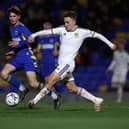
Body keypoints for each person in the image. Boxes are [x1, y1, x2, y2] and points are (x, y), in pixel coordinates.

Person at [28, 10, 116, 112]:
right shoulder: (62, 30)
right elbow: (47, 31)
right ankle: (96, 100)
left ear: (74, 21)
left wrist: (110, 44)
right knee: (72, 88)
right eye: (64, 22)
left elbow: (98, 35)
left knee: (50, 80)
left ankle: (34, 101)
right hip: (62, 65)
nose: (65, 24)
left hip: (67, 65)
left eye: (67, 22)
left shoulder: (83, 32)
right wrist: (33, 35)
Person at [0, 6, 60, 109]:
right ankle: (22, 88)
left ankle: (55, 96)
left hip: (28, 58)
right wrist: (13, 52)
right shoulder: (11, 28)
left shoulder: (22, 27)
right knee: (3, 74)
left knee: (33, 84)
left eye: (14, 16)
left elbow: (32, 39)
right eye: (10, 16)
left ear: (19, 17)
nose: (12, 18)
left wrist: (19, 43)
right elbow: (17, 44)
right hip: (19, 58)